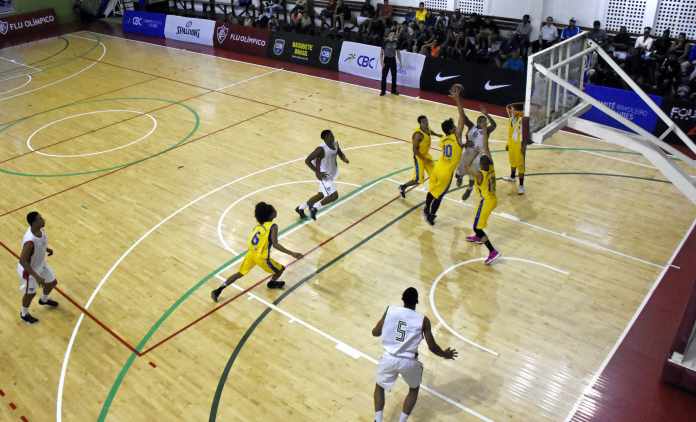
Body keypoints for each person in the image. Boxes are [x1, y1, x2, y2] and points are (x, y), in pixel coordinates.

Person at [371, 287, 457, 422]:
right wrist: (444, 354)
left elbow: (375, 332)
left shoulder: (390, 310)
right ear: (417, 301)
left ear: (402, 299)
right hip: (409, 361)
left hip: (389, 358)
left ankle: (378, 419)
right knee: (413, 389)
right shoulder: (423, 320)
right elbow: (432, 347)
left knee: (380, 386)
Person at [211, 202, 303, 300]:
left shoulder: (258, 226)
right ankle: (271, 283)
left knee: (239, 273)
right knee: (280, 269)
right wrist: (292, 253)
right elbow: (275, 245)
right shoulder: (273, 226)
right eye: (274, 210)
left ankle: (218, 290)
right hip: (261, 257)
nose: (276, 211)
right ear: (270, 215)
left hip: (251, 253)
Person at [424, 85, 466, 225]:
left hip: (437, 168)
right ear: (451, 129)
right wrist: (457, 99)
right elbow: (462, 117)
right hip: (446, 173)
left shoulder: (444, 139)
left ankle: (426, 208)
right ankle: (431, 215)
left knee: (432, 191)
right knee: (440, 195)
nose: (456, 127)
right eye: (454, 126)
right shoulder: (457, 137)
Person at [295, 129, 350, 220]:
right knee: (334, 196)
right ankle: (315, 208)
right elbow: (307, 160)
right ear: (325, 139)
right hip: (324, 175)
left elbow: (339, 153)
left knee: (320, 195)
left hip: (331, 174)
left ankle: (300, 208)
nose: (332, 137)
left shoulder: (335, 143)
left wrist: (344, 158)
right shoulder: (321, 149)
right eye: (330, 136)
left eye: (332, 135)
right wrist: (317, 172)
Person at [17, 211, 59, 324]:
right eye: (40, 219)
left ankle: (44, 300)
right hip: (29, 271)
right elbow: (22, 260)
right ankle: (24, 313)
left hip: (41, 264)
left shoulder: (41, 230)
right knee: (31, 293)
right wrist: (36, 277)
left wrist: (47, 249)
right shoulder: (30, 241)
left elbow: (41, 243)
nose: (43, 220)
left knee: (52, 283)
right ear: (34, 222)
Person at [456, 106, 497, 202]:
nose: (485, 123)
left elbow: (494, 125)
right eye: (483, 122)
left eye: (486, 122)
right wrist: (458, 101)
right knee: (459, 172)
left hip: (479, 155)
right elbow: (463, 116)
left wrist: (486, 114)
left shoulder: (487, 130)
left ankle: (469, 189)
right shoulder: (471, 126)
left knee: (473, 175)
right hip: (468, 152)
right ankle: (460, 177)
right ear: (478, 122)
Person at [467, 155, 501, 265]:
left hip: (487, 202)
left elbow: (466, 167)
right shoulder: (492, 169)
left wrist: (470, 156)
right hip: (490, 199)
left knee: (477, 228)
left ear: (482, 165)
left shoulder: (480, 175)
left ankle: (493, 251)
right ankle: (478, 238)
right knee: (477, 223)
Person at [398, 115, 442, 198]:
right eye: (424, 122)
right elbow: (415, 150)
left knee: (435, 174)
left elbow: (430, 131)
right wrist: (424, 159)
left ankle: (434, 192)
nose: (426, 123)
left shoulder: (427, 128)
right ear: (420, 123)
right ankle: (402, 187)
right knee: (418, 180)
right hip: (419, 158)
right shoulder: (418, 135)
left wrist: (437, 135)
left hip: (426, 155)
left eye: (427, 121)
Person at [503, 103, 527, 194]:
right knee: (512, 161)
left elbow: (524, 135)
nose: (510, 110)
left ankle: (521, 186)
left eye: (512, 109)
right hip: (512, 144)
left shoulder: (523, 120)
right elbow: (510, 133)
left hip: (519, 146)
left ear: (517, 111)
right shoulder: (511, 119)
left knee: (520, 166)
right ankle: (512, 177)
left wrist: (523, 147)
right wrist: (508, 144)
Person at [380, 31, 401, 96]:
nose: (392, 35)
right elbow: (381, 53)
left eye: (393, 34)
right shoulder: (385, 42)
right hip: (386, 59)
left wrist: (400, 62)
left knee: (394, 76)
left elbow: (398, 52)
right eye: (391, 34)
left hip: (393, 60)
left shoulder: (396, 42)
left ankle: (393, 90)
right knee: (384, 76)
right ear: (389, 35)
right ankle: (383, 91)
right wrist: (381, 62)